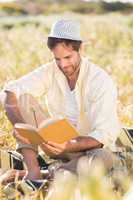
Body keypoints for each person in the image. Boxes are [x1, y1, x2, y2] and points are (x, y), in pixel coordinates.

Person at [0, 19, 120, 182]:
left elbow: (103, 136)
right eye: (57, 59)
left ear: (80, 49)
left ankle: (47, 175)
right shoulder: (50, 71)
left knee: (102, 159)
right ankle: (33, 172)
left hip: (89, 150)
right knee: (23, 99)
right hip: (55, 145)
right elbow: (9, 91)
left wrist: (69, 145)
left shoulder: (100, 80)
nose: (63, 65)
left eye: (68, 57)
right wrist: (19, 125)